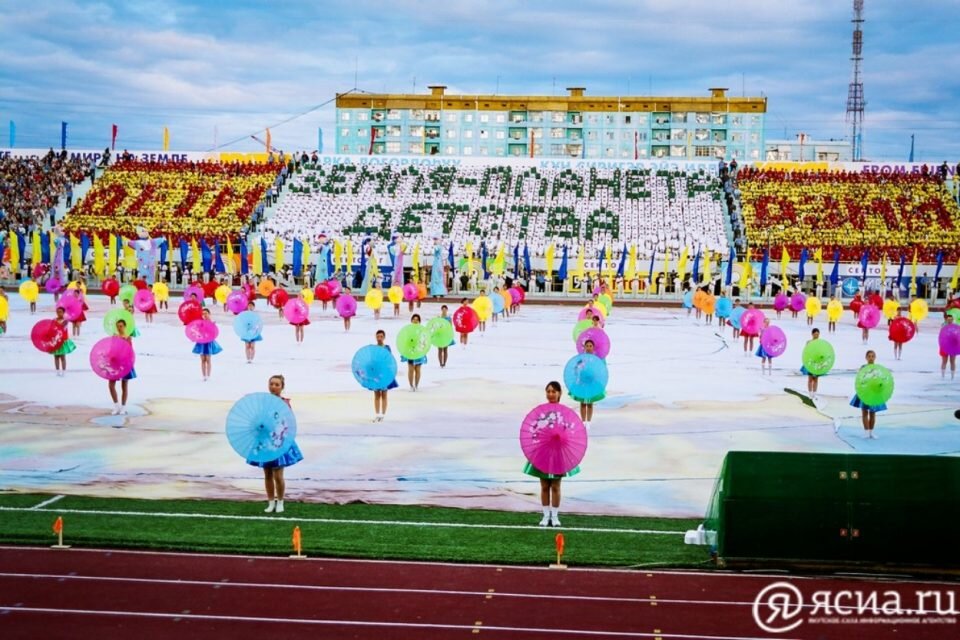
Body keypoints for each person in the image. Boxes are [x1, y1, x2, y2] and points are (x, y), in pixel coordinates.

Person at [523, 381, 580, 527]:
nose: (550, 394)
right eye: (548, 391)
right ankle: (545, 516)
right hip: (543, 451)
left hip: (558, 452)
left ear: (560, 393)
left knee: (555, 485)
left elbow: (570, 430)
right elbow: (535, 429)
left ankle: (555, 517)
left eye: (554, 391)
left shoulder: (565, 412)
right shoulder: (542, 412)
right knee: (543, 486)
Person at [248, 375, 303, 514]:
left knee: (278, 475)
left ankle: (281, 501)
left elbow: (288, 422)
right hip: (265, 440)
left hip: (279, 441)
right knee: (267, 473)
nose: (273, 387)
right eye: (271, 384)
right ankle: (271, 501)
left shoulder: (284, 403)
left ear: (282, 387)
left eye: (277, 384)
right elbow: (258, 419)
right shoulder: (263, 402)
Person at [849, 350, 885, 439]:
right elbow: (860, 379)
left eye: (873, 356)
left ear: (875, 357)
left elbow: (881, 380)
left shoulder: (878, 368)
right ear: (866, 358)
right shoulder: (863, 367)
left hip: (874, 393)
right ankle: (866, 432)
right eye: (869, 356)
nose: (871, 358)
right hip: (865, 392)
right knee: (864, 412)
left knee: (872, 413)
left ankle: (871, 432)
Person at [573, 339, 604, 428]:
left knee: (590, 402)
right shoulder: (581, 358)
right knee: (582, 402)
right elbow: (576, 368)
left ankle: (589, 421)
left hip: (591, 382)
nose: (589, 347)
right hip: (582, 382)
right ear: (584, 347)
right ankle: (583, 421)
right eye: (587, 346)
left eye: (591, 346)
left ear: (593, 348)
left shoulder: (596, 359)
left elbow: (599, 370)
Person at [109, 319, 135, 415]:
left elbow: (130, 350)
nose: (119, 328)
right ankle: (116, 406)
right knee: (111, 384)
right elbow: (111, 349)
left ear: (124, 326)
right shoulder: (114, 337)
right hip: (115, 362)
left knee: (124, 385)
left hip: (124, 362)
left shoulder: (128, 337)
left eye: (121, 326)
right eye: (118, 326)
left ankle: (123, 407)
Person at [373, 329, 399, 422]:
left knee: (384, 394)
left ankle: (383, 414)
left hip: (385, 373)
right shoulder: (373, 348)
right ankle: (377, 414)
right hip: (376, 373)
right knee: (376, 394)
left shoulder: (387, 347)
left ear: (384, 337)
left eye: (381, 336)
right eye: (378, 336)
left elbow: (390, 359)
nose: (379, 338)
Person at [192, 308, 222, 380]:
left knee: (208, 359)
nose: (204, 315)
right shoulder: (200, 323)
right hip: (201, 342)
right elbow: (198, 332)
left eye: (206, 313)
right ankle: (203, 375)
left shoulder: (212, 323)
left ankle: (208, 375)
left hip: (208, 342)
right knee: (202, 359)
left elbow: (214, 333)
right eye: (203, 314)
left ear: (209, 314)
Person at [401, 314, 427, 391]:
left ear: (419, 321)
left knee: (418, 369)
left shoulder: (422, 331)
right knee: (411, 369)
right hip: (410, 352)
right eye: (414, 319)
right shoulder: (408, 330)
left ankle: (416, 385)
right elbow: (404, 340)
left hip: (419, 351)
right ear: (411, 320)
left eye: (417, 319)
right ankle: (411, 386)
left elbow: (424, 341)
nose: (415, 321)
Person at [51, 306, 76, 377]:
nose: (59, 313)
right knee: (56, 356)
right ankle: (57, 371)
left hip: (63, 340)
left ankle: (64, 371)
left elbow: (61, 327)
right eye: (57, 312)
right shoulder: (54, 320)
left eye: (60, 312)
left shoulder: (65, 320)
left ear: (63, 312)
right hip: (56, 340)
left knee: (62, 356)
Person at [801, 328, 823, 401]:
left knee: (816, 379)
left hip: (817, 362)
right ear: (812, 334)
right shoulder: (809, 342)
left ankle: (814, 394)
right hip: (810, 362)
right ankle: (810, 394)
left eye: (818, 334)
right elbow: (806, 352)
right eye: (815, 334)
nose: (817, 335)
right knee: (810, 379)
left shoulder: (820, 343)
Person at [941, 313, 957, 379]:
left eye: (951, 319)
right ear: (946, 319)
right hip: (945, 345)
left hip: (953, 346)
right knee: (944, 361)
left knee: (952, 361)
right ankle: (943, 376)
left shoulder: (956, 326)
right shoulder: (943, 325)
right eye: (948, 319)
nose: (949, 320)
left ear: (953, 319)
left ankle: (952, 376)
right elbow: (942, 335)